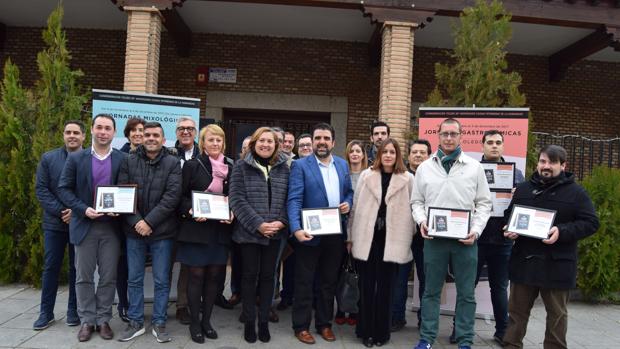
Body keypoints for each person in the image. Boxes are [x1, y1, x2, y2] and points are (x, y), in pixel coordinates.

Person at [502, 145, 599, 349]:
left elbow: (591, 223)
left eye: (552, 162)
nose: (546, 166)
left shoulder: (576, 193)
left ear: (563, 166)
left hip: (557, 265)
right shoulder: (524, 188)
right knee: (516, 315)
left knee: (556, 317)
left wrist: (561, 231)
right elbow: (510, 216)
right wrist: (510, 229)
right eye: (543, 161)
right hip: (524, 262)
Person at [411, 118, 492, 349]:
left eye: (453, 134)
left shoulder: (474, 167)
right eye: (445, 134)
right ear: (438, 135)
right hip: (434, 240)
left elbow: (484, 204)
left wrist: (475, 231)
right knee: (431, 291)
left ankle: (465, 340)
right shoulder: (425, 167)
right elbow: (416, 201)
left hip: (465, 240)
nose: (449, 138)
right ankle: (427, 338)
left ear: (461, 136)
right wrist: (422, 221)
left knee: (466, 293)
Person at [57, 114, 126, 342]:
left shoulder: (122, 159)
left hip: (111, 228)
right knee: (83, 276)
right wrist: (83, 209)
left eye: (108, 128)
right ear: (92, 130)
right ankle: (87, 319)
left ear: (113, 133)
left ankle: (103, 319)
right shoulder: (77, 158)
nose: (103, 132)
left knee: (108, 276)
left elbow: (127, 190)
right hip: (84, 225)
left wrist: (122, 208)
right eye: (99, 127)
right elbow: (64, 189)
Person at [287, 122, 353, 344]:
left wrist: (347, 203)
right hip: (309, 234)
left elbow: (350, 193)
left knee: (328, 282)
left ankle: (324, 324)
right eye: (318, 138)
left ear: (333, 142)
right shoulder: (300, 166)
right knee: (304, 282)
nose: (322, 142)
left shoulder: (343, 166)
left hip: (335, 234)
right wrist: (295, 228)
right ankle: (301, 326)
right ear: (312, 142)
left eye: (326, 138)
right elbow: (294, 198)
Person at [116, 122, 182, 343]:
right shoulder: (128, 160)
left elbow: (172, 197)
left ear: (164, 140)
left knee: (162, 280)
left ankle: (159, 322)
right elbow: (122, 193)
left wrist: (149, 222)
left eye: (156, 135)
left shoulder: (173, 163)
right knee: (134, 279)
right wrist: (137, 222)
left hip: (162, 232)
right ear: (141, 137)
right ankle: (135, 322)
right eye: (147, 134)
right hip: (134, 231)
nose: (151, 138)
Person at [457, 130, 524, 345]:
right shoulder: (472, 170)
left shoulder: (516, 174)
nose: (494, 146)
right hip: (475, 238)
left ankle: (502, 331)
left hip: (503, 240)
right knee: (468, 287)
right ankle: (460, 329)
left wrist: (517, 194)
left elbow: (522, 207)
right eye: (490, 142)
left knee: (499, 288)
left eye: (498, 142)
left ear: (503, 146)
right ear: (482, 145)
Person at [348, 138, 415, 347]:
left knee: (387, 289)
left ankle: (381, 333)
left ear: (398, 156)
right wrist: (350, 236)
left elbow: (414, 210)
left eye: (392, 152)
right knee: (366, 287)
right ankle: (365, 331)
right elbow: (355, 207)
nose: (388, 155)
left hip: (393, 240)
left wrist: (409, 234)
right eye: (384, 152)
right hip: (367, 239)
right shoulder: (367, 176)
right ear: (379, 154)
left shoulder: (408, 178)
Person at [229, 127, 290, 343]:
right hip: (249, 234)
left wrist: (281, 222)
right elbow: (236, 199)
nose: (265, 144)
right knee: (249, 277)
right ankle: (249, 320)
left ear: (276, 145)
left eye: (270, 141)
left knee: (268, 278)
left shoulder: (284, 168)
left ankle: (263, 321)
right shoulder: (240, 167)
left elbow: (288, 199)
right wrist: (259, 225)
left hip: (275, 233)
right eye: (261, 141)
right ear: (254, 143)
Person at [176, 124, 234, 343]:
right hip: (196, 229)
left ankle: (207, 320)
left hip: (219, 230)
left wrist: (232, 213)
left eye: (219, 140)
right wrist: (190, 211)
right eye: (211, 140)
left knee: (213, 277)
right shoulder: (192, 165)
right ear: (203, 143)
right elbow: (179, 197)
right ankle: (194, 323)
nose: (215, 143)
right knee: (196, 276)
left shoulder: (231, 167)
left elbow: (234, 197)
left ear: (223, 143)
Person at [33, 120, 86, 330]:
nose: (71, 136)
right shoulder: (48, 158)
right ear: (63, 135)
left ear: (83, 136)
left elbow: (94, 189)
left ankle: (74, 310)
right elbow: (42, 189)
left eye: (76, 133)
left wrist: (76, 211)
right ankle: (46, 312)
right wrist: (62, 211)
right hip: (54, 223)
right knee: (51, 268)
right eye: (68, 132)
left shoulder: (89, 159)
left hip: (80, 222)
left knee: (77, 269)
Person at [391, 139, 431, 332]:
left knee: (426, 279)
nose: (418, 155)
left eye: (422, 152)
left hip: (427, 237)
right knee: (399, 279)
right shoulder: (399, 176)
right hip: (403, 235)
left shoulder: (434, 177)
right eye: (414, 152)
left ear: (429, 156)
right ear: (408, 156)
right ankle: (396, 317)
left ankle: (425, 319)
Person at [333, 140, 368, 327]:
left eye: (358, 151)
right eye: (351, 151)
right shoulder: (341, 174)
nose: (355, 154)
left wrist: (354, 236)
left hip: (362, 231)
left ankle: (355, 309)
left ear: (363, 154)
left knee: (358, 274)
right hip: (341, 229)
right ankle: (340, 308)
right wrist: (347, 237)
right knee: (342, 272)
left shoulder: (369, 175)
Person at [117, 117, 146, 322]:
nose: (138, 133)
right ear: (127, 134)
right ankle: (124, 304)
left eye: (141, 130)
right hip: (124, 220)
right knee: (124, 266)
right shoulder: (119, 157)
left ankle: (136, 305)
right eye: (133, 130)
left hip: (148, 222)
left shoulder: (152, 156)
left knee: (139, 269)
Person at [173, 116, 199, 324]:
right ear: (176, 132)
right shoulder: (167, 154)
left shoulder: (204, 156)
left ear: (196, 132)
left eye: (190, 128)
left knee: (189, 266)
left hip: (194, 218)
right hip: (167, 218)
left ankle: (184, 305)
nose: (186, 132)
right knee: (164, 264)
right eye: (181, 128)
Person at [228, 135, 253, 308]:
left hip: (257, 225)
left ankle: (256, 299)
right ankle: (236, 292)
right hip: (237, 224)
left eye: (249, 147)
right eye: (244, 148)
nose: (247, 151)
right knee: (238, 263)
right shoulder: (235, 167)